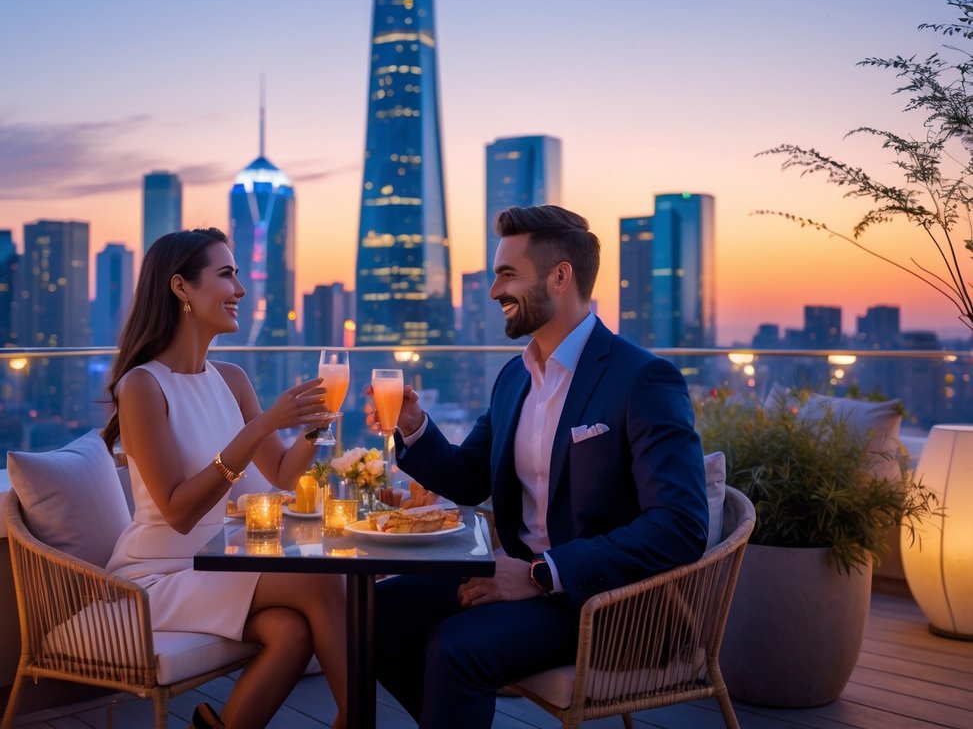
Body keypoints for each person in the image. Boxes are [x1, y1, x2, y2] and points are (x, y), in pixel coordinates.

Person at [367, 205, 709, 729]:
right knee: (376, 613)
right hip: (515, 580)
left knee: (457, 647)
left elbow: (680, 526)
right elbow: (467, 477)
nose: (493, 291)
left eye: (508, 274)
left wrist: (541, 575)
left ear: (561, 275)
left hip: (605, 603)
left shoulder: (643, 379)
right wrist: (413, 425)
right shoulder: (515, 378)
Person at [102, 228, 348, 729]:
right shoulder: (142, 386)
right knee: (323, 582)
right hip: (157, 574)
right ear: (181, 288)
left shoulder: (231, 378)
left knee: (291, 631)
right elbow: (178, 510)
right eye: (227, 275)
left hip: (214, 566)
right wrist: (262, 424)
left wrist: (315, 428)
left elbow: (280, 473)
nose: (240, 290)